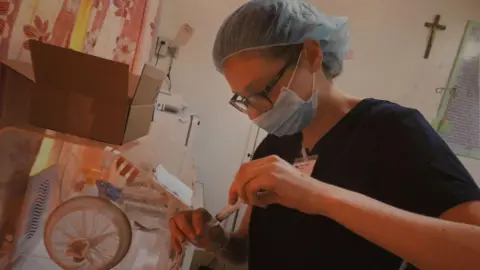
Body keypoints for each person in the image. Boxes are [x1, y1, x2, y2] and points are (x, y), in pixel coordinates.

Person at [169, 0, 480, 269]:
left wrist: (320, 197)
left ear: (312, 54)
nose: (255, 114)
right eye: (243, 100)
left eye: (261, 91)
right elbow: (250, 250)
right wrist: (218, 240)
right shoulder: (277, 144)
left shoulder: (395, 132)